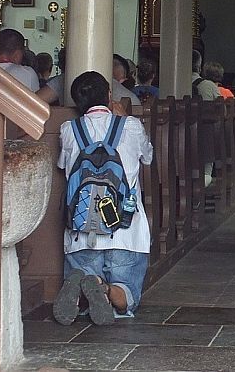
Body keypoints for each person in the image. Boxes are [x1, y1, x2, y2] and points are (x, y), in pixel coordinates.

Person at [53, 71, 153, 326]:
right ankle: (104, 289)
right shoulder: (129, 126)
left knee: (82, 270)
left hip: (81, 228)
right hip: (126, 230)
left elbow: (63, 164)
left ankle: (85, 284)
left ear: (77, 102)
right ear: (109, 96)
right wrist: (124, 119)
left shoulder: (68, 129)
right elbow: (148, 156)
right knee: (128, 298)